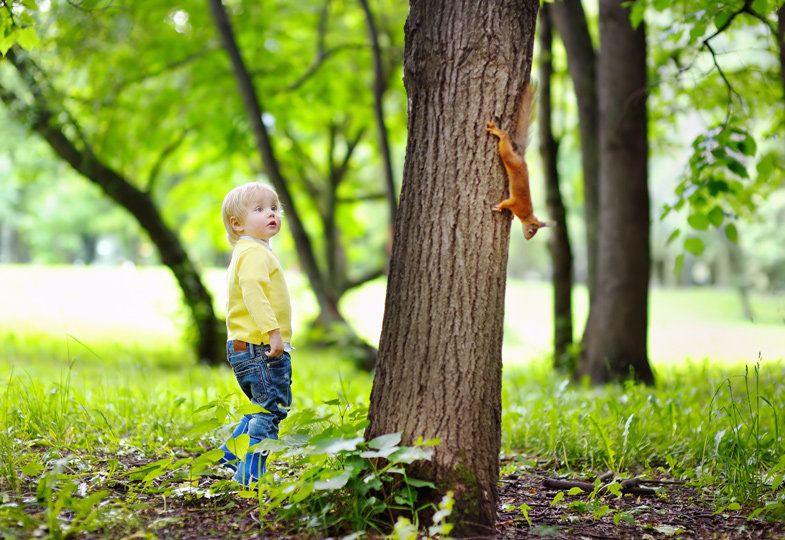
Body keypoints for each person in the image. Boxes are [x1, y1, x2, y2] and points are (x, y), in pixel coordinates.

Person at [218, 182, 294, 487]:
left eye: (274, 208)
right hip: (259, 345)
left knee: (262, 408)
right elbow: (254, 294)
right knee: (271, 411)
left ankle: (230, 454)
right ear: (237, 223)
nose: (271, 214)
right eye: (260, 209)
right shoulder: (253, 254)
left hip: (247, 344)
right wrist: (273, 333)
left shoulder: (251, 251)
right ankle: (249, 478)